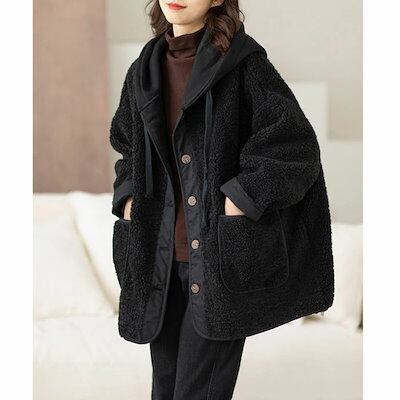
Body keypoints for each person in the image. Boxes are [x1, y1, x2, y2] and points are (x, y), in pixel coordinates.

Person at [109, 1, 334, 399]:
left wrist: (240, 199)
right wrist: (128, 200)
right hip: (158, 262)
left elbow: (294, 146)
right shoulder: (143, 71)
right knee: (164, 391)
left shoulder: (244, 65)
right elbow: (127, 146)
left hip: (218, 262)